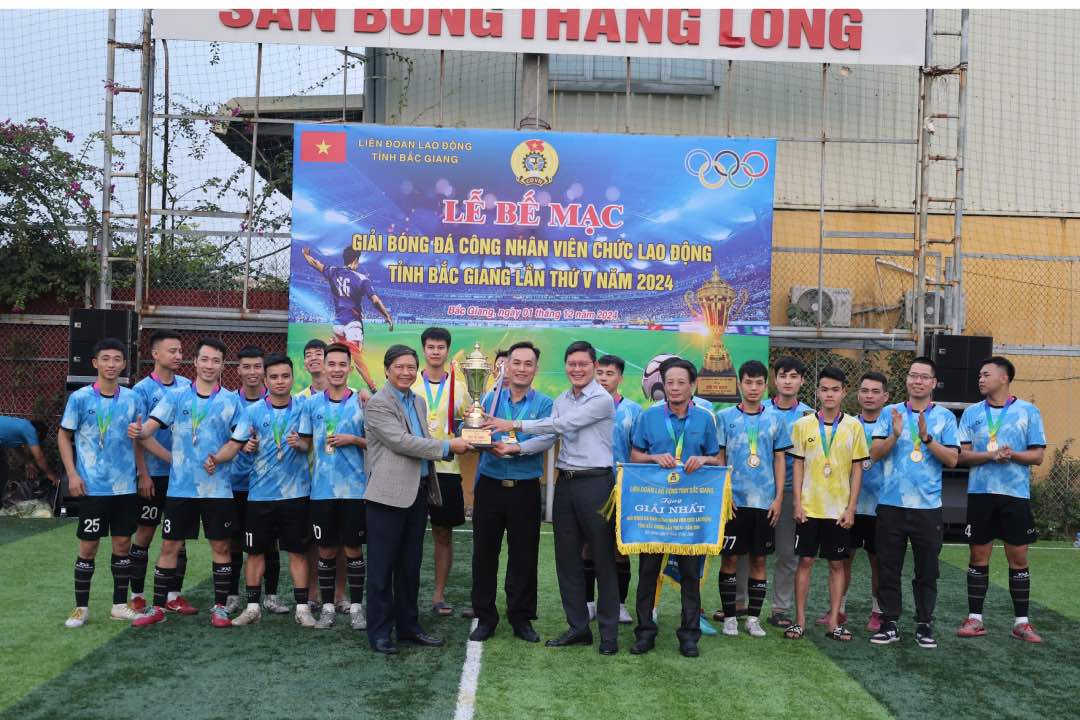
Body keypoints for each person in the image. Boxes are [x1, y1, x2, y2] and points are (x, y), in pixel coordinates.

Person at [485, 340, 619, 655]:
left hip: (597, 483)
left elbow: (562, 424)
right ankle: (578, 628)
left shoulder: (601, 400)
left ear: (594, 366)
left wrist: (514, 425)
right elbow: (549, 436)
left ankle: (609, 633)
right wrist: (516, 447)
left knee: (602, 559)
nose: (577, 369)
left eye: (583, 364)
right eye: (571, 364)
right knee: (567, 559)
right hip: (566, 483)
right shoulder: (562, 398)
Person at [363, 344, 472, 654]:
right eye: (399, 367)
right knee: (383, 568)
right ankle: (380, 632)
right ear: (386, 370)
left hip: (417, 493)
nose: (406, 372)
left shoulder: (419, 402)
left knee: (410, 566)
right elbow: (402, 442)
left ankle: (409, 626)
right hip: (386, 496)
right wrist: (449, 446)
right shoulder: (378, 404)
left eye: (411, 367)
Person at [129, 338, 245, 629]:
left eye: (215, 361)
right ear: (195, 362)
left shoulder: (231, 400)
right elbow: (149, 430)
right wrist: (139, 430)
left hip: (217, 490)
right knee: (169, 546)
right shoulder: (177, 397)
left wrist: (218, 459)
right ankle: (157, 607)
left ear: (222, 365)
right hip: (181, 489)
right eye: (204, 359)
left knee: (220, 546)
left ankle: (219, 608)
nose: (209, 365)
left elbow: (238, 441)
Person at [207, 353, 316, 628]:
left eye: (285, 376)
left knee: (297, 552)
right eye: (275, 377)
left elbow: (307, 444)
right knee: (254, 552)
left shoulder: (303, 408)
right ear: (266, 381)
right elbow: (236, 443)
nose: (280, 381)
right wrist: (217, 458)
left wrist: (298, 444)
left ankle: (302, 608)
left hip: (296, 494)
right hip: (260, 496)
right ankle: (253, 606)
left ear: (293, 378)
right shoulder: (253, 412)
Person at [628, 357, 721, 657]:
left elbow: (718, 460)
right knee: (647, 572)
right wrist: (654, 457)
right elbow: (635, 455)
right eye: (670, 383)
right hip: (654, 509)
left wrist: (703, 460)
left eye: (682, 382)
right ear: (663, 386)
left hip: (690, 512)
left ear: (692, 385)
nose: (675, 388)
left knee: (690, 576)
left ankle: (689, 636)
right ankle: (645, 633)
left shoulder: (706, 418)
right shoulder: (649, 416)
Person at [869, 356, 959, 648]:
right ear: (906, 380)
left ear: (933, 383)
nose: (917, 381)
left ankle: (924, 624)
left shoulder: (944, 417)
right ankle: (890, 622)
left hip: (927, 509)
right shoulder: (889, 412)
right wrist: (895, 435)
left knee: (927, 570)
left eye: (924, 377)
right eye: (913, 375)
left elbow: (953, 460)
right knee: (888, 567)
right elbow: (875, 454)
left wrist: (928, 438)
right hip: (891, 505)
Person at [468, 341, 554, 643]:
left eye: (528, 364)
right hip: (490, 486)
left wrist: (516, 448)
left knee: (524, 556)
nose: (521, 369)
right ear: (506, 366)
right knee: (484, 555)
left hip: (525, 490)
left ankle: (521, 618)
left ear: (535, 369)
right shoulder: (488, 398)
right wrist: (491, 444)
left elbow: (547, 436)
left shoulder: (544, 403)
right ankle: (485, 617)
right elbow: (478, 433)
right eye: (516, 363)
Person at [956, 356, 1046, 644]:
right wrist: (990, 455)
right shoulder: (972, 413)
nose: (980, 379)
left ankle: (1021, 623)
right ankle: (975, 619)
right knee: (978, 556)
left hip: (1015, 495)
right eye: (980, 375)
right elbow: (961, 455)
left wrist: (1013, 455)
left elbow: (1038, 455)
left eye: (986, 374)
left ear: (1004, 378)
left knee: (1018, 559)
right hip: (981, 495)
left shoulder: (1028, 411)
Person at [58, 338, 142, 627]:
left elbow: (139, 440)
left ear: (123, 364)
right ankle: (80, 607)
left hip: (125, 488)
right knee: (88, 546)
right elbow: (63, 435)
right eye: (105, 359)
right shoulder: (80, 398)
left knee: (122, 543)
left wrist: (142, 473)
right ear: (95, 363)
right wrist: (72, 473)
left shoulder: (132, 398)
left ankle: (119, 604)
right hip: (93, 486)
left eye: (116, 359)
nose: (111, 364)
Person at [787, 367, 867, 642]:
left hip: (838, 510)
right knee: (805, 561)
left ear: (844, 392)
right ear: (817, 391)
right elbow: (797, 466)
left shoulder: (854, 426)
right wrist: (797, 503)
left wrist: (851, 507)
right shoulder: (803, 425)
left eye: (835, 389)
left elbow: (858, 469)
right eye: (824, 389)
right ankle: (799, 621)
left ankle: (834, 621)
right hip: (809, 508)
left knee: (837, 564)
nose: (829, 394)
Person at [715, 360, 792, 638]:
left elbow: (780, 459)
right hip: (734, 502)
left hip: (764, 503)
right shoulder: (724, 417)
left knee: (760, 560)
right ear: (740, 384)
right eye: (748, 382)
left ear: (765, 385)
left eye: (759, 383)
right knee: (730, 559)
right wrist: (725, 492)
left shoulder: (776, 419)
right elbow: (720, 457)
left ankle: (754, 619)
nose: (753, 388)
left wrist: (779, 498)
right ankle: (730, 617)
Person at [298, 343, 370, 631]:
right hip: (322, 491)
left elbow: (376, 443)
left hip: (354, 491)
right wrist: (293, 442)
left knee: (353, 550)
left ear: (350, 368)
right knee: (326, 550)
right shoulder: (311, 404)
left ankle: (355, 608)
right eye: (332, 364)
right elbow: (305, 442)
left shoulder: (363, 402)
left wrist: (353, 440)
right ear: (324, 367)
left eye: (343, 364)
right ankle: (327, 607)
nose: (337, 369)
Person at [128, 330, 191, 614]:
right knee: (145, 533)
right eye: (172, 351)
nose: (178, 356)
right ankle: (138, 595)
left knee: (178, 537)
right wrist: (143, 474)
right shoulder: (141, 390)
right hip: (153, 477)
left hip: (182, 480)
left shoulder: (188, 386)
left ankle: (173, 594)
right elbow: (138, 435)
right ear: (155, 354)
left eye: (180, 351)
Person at [411, 327, 471, 618]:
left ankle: (438, 594)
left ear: (448, 351)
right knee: (408, 534)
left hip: (447, 469)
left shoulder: (460, 387)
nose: (436, 352)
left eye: (441, 347)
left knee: (443, 533)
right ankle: (407, 593)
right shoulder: (410, 385)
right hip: (413, 468)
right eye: (431, 347)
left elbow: (469, 424)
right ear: (424, 349)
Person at [226, 346, 288, 615]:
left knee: (270, 542)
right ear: (238, 370)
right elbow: (223, 441)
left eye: (257, 367)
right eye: (246, 367)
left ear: (265, 372)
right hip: (236, 484)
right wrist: (241, 447)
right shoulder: (228, 402)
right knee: (236, 542)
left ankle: (271, 596)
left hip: (269, 486)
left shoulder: (280, 399)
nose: (252, 372)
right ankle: (231, 595)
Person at [755, 356, 812, 629]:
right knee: (750, 550)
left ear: (802, 380)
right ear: (774, 380)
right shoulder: (759, 409)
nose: (788, 381)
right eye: (782, 376)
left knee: (788, 553)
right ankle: (742, 602)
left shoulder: (810, 416)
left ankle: (780, 608)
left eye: (793, 376)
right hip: (757, 490)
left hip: (792, 492)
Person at [587, 354, 640, 625]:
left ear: (620, 377)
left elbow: (638, 450)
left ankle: (618, 604)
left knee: (621, 548)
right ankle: (588, 603)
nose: (604, 378)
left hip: (622, 488)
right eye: (600, 373)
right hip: (589, 486)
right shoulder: (584, 405)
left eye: (610, 373)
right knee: (588, 547)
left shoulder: (633, 410)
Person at [301, 245, 393, 394]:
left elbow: (315, 263)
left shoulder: (333, 271)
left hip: (338, 324)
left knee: (337, 357)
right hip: (352, 324)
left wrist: (305, 255)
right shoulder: (362, 279)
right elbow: (375, 301)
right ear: (356, 260)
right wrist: (387, 315)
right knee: (357, 357)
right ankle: (374, 388)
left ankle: (330, 388)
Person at [842, 372, 889, 632]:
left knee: (878, 562)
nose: (869, 396)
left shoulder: (892, 427)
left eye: (875, 392)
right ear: (857, 394)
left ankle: (877, 612)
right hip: (849, 506)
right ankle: (838, 609)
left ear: (886, 397)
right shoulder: (847, 425)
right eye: (865, 391)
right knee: (842, 559)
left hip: (881, 507)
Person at [0, 415, 57, 505]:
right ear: (38, 433)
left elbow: (16, 449)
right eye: (37, 440)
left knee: (3, 468)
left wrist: (28, 463)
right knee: (2, 470)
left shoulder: (21, 426)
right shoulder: (30, 429)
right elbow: (39, 457)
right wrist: (50, 474)